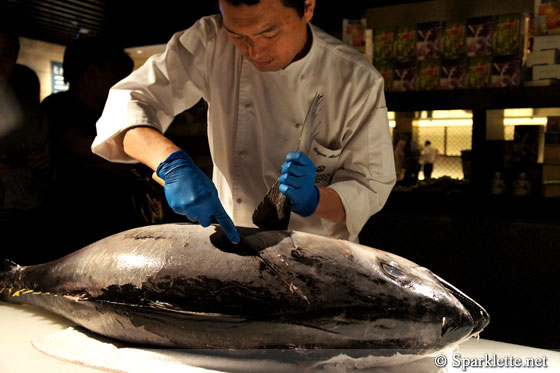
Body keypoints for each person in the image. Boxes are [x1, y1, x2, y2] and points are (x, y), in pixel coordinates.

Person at [92, 0, 396, 243]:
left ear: (307, 7)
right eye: (237, 35)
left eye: (269, 33)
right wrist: (170, 163)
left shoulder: (356, 81)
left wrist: (315, 199)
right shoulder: (211, 41)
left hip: (321, 256)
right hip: (234, 243)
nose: (254, 51)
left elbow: (370, 188)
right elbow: (128, 101)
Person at [41, 38, 143, 249]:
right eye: (117, 74)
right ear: (91, 72)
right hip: (73, 223)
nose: (123, 84)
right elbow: (84, 150)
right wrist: (137, 156)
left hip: (117, 221)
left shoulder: (110, 110)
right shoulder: (58, 106)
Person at [0, 31, 56, 263]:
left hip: (26, 220)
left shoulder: (32, 114)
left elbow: (49, 179)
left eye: (6, 54)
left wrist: (43, 167)